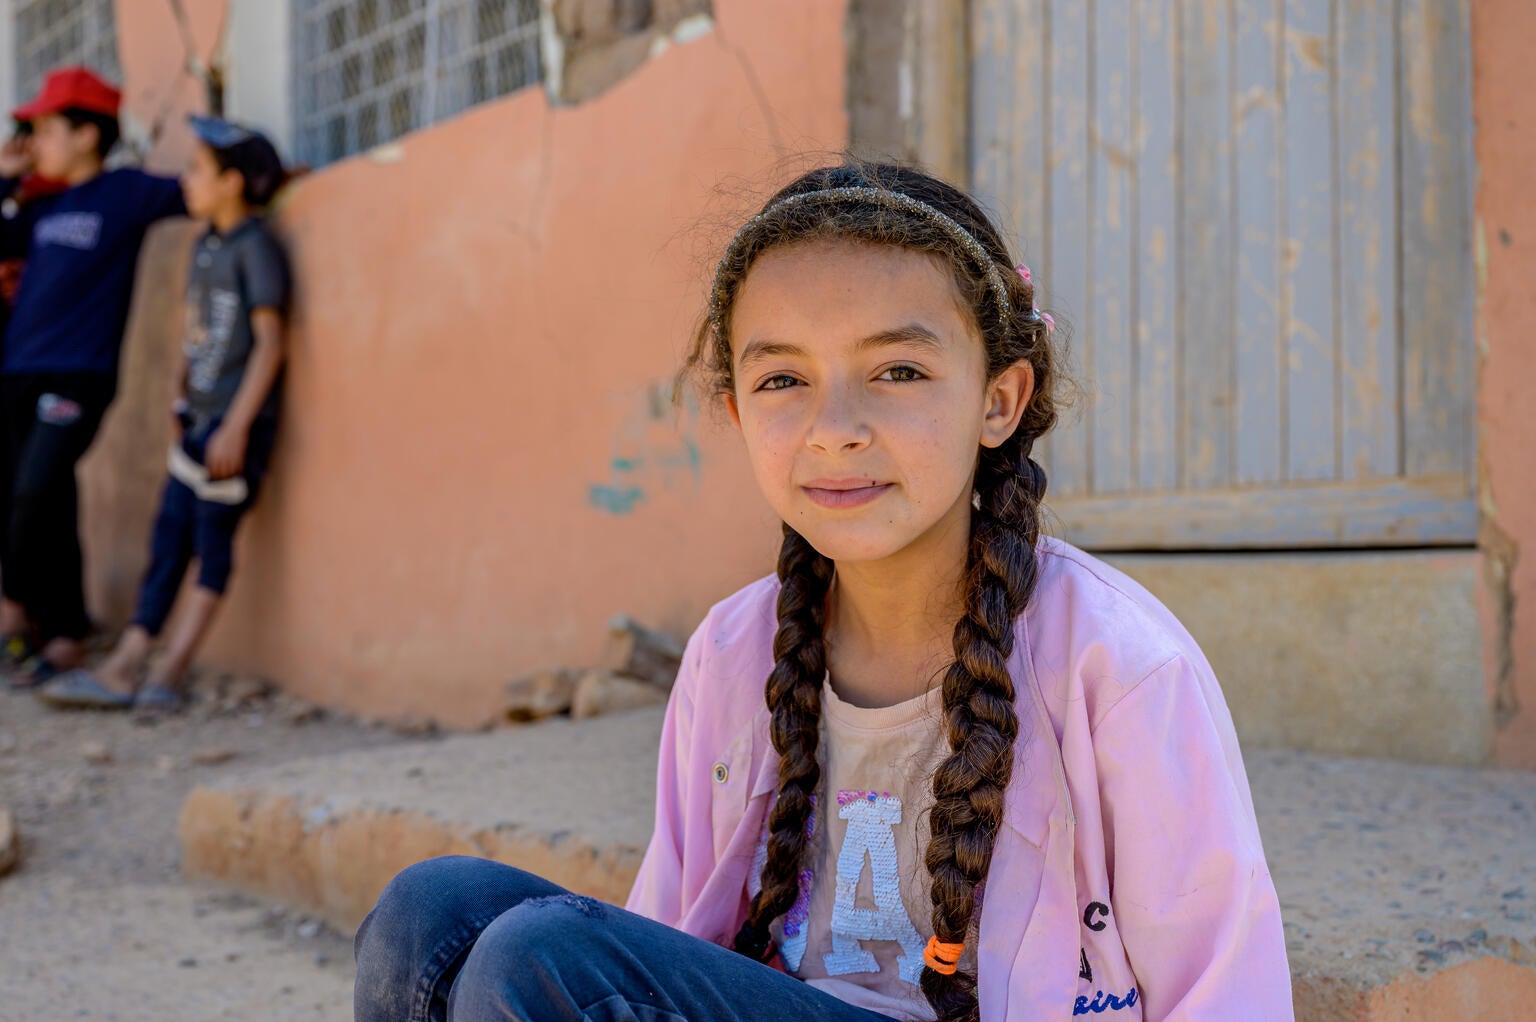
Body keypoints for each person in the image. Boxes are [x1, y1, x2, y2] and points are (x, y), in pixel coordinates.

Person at [352, 161, 1294, 1021]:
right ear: (735, 409)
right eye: (783, 379)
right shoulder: (732, 654)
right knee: (429, 913)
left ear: (999, 400)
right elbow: (664, 938)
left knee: (538, 958)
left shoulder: (1119, 665)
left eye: (898, 371)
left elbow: (1227, 985)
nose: (833, 428)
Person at [37, 115, 288, 718]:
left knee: (212, 544)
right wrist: (179, 390)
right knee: (167, 540)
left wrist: (236, 425)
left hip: (231, 432)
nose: (188, 181)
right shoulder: (206, 244)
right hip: (196, 426)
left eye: (200, 170)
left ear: (233, 182)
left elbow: (272, 343)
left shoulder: (257, 248)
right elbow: (194, 329)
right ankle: (128, 662)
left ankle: (170, 672)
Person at [0, 67, 186, 686]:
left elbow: (201, 193)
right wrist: (7, 178)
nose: (35, 143)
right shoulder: (42, 208)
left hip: (80, 373)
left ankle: (10, 611)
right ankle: (65, 631)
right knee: (40, 498)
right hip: (17, 371)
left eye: (46, 130)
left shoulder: (127, 193)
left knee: (36, 488)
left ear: (86, 135)